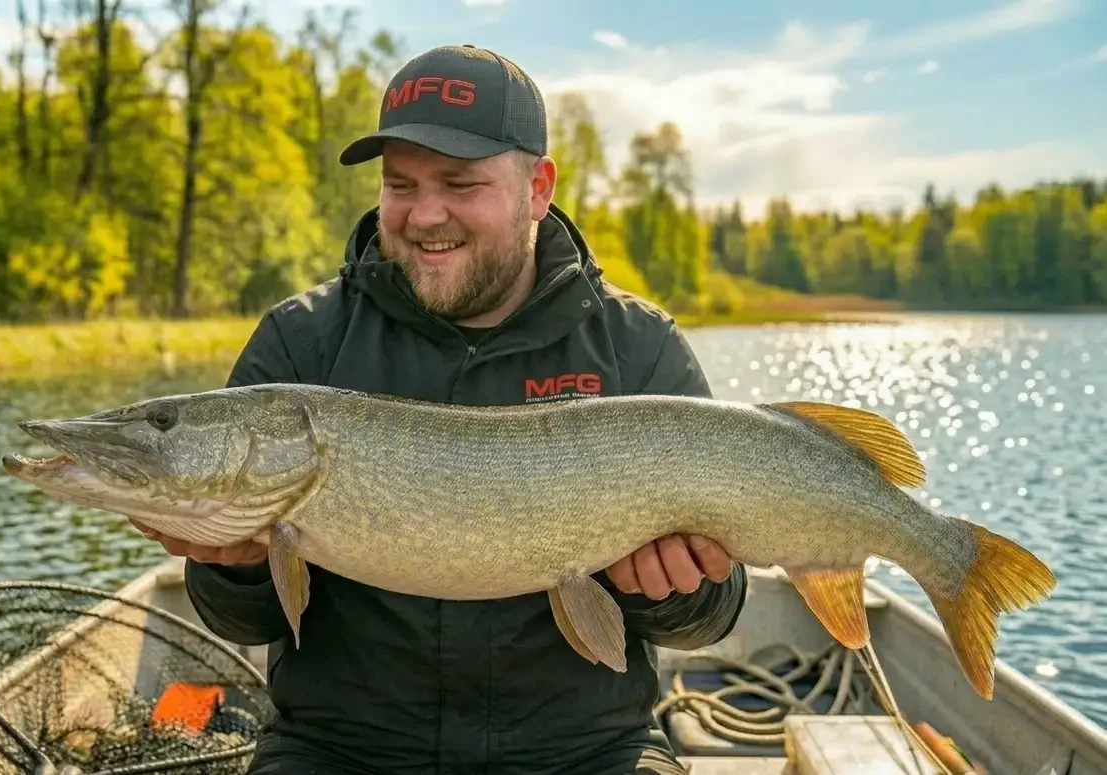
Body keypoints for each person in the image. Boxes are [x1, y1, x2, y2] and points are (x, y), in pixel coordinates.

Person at [133, 43, 748, 775]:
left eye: (460, 182)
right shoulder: (301, 344)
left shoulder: (635, 348)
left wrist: (672, 590)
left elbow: (714, 612)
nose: (425, 215)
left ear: (537, 188)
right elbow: (244, 618)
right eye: (401, 184)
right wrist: (234, 567)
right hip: (339, 750)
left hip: (584, 752)